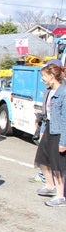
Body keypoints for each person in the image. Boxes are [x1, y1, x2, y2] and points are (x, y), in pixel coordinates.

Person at [32, 63, 66, 206]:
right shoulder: (48, 91)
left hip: (59, 131)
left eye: (44, 77)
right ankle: (50, 186)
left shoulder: (63, 93)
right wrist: (41, 128)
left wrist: (63, 142)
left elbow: (65, 119)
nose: (42, 80)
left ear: (52, 77)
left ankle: (60, 196)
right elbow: (46, 113)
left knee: (57, 164)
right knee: (42, 160)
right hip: (48, 128)